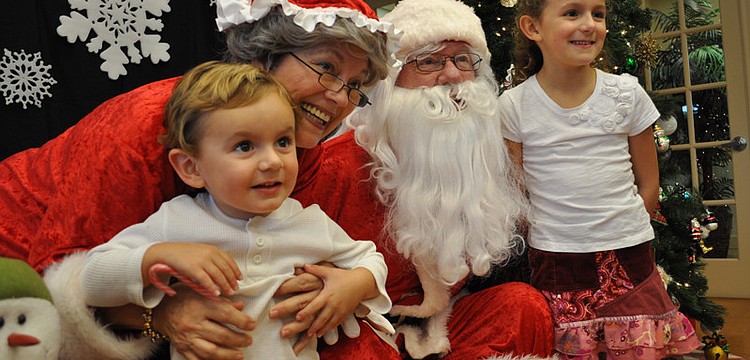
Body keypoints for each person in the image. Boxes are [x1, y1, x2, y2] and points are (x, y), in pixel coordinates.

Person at [0, 0, 395, 359]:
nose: (342, 97)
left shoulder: (302, 149)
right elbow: (66, 276)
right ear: (264, 56)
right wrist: (161, 314)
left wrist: (331, 286)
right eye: (326, 68)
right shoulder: (144, 129)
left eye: (356, 85)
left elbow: (294, 247)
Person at [285, 0, 556, 358]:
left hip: (437, 322)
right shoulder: (338, 165)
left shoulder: (481, 159)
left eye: (463, 59)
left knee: (523, 305)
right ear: (390, 82)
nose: (452, 76)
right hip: (358, 325)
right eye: (428, 61)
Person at [79, 61, 393, 360]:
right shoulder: (176, 221)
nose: (272, 161)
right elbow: (91, 280)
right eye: (244, 146)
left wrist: (356, 284)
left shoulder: (309, 221)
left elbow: (370, 259)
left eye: (283, 141)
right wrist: (159, 256)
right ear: (191, 167)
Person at [499, 0, 702, 358]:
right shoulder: (514, 106)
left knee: (640, 345)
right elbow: (515, 190)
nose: (590, 24)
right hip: (556, 255)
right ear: (533, 29)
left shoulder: (626, 95)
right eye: (572, 13)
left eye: (598, 14)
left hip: (628, 248)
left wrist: (629, 223)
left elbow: (649, 181)